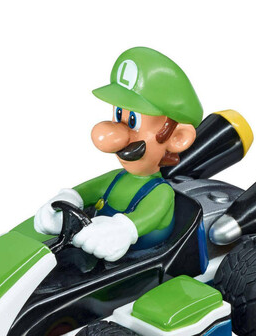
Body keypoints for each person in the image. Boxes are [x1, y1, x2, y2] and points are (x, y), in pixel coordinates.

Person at [34, 47, 203, 262]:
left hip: (139, 261)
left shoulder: (161, 193)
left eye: (133, 122)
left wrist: (123, 230)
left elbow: (145, 217)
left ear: (177, 137)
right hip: (94, 249)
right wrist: (66, 199)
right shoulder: (117, 177)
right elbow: (84, 192)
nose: (116, 135)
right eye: (118, 115)